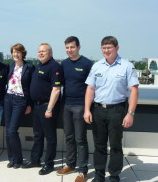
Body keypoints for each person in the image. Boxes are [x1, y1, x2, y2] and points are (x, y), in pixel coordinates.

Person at [84, 36, 139, 182]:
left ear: (117, 48)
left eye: (109, 48)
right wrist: (87, 110)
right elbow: (90, 88)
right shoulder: (96, 66)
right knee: (99, 145)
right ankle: (99, 176)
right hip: (98, 110)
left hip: (117, 111)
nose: (106, 50)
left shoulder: (127, 66)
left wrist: (130, 114)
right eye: (104, 48)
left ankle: (114, 176)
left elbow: (134, 90)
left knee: (115, 145)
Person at [21, 43, 63, 175]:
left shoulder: (54, 67)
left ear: (50, 53)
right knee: (38, 135)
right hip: (37, 106)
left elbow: (56, 90)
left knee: (50, 137)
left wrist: (49, 109)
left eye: (43, 51)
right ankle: (35, 160)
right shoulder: (39, 65)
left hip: (47, 106)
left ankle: (49, 164)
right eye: (39, 51)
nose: (40, 53)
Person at [56, 36, 93, 182]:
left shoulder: (87, 64)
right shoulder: (64, 64)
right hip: (66, 105)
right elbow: (60, 84)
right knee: (69, 137)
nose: (69, 50)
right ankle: (70, 165)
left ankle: (83, 171)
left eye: (72, 47)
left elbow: (92, 87)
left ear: (78, 47)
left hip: (81, 106)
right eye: (67, 48)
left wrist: (87, 109)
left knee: (80, 139)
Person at [4, 43, 35, 169]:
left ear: (23, 53)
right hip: (8, 99)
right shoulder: (10, 66)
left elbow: (32, 87)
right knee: (7, 131)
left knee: (12, 131)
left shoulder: (29, 67)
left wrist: (29, 104)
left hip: (20, 100)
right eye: (14, 52)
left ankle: (18, 159)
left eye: (18, 52)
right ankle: (11, 158)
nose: (15, 54)